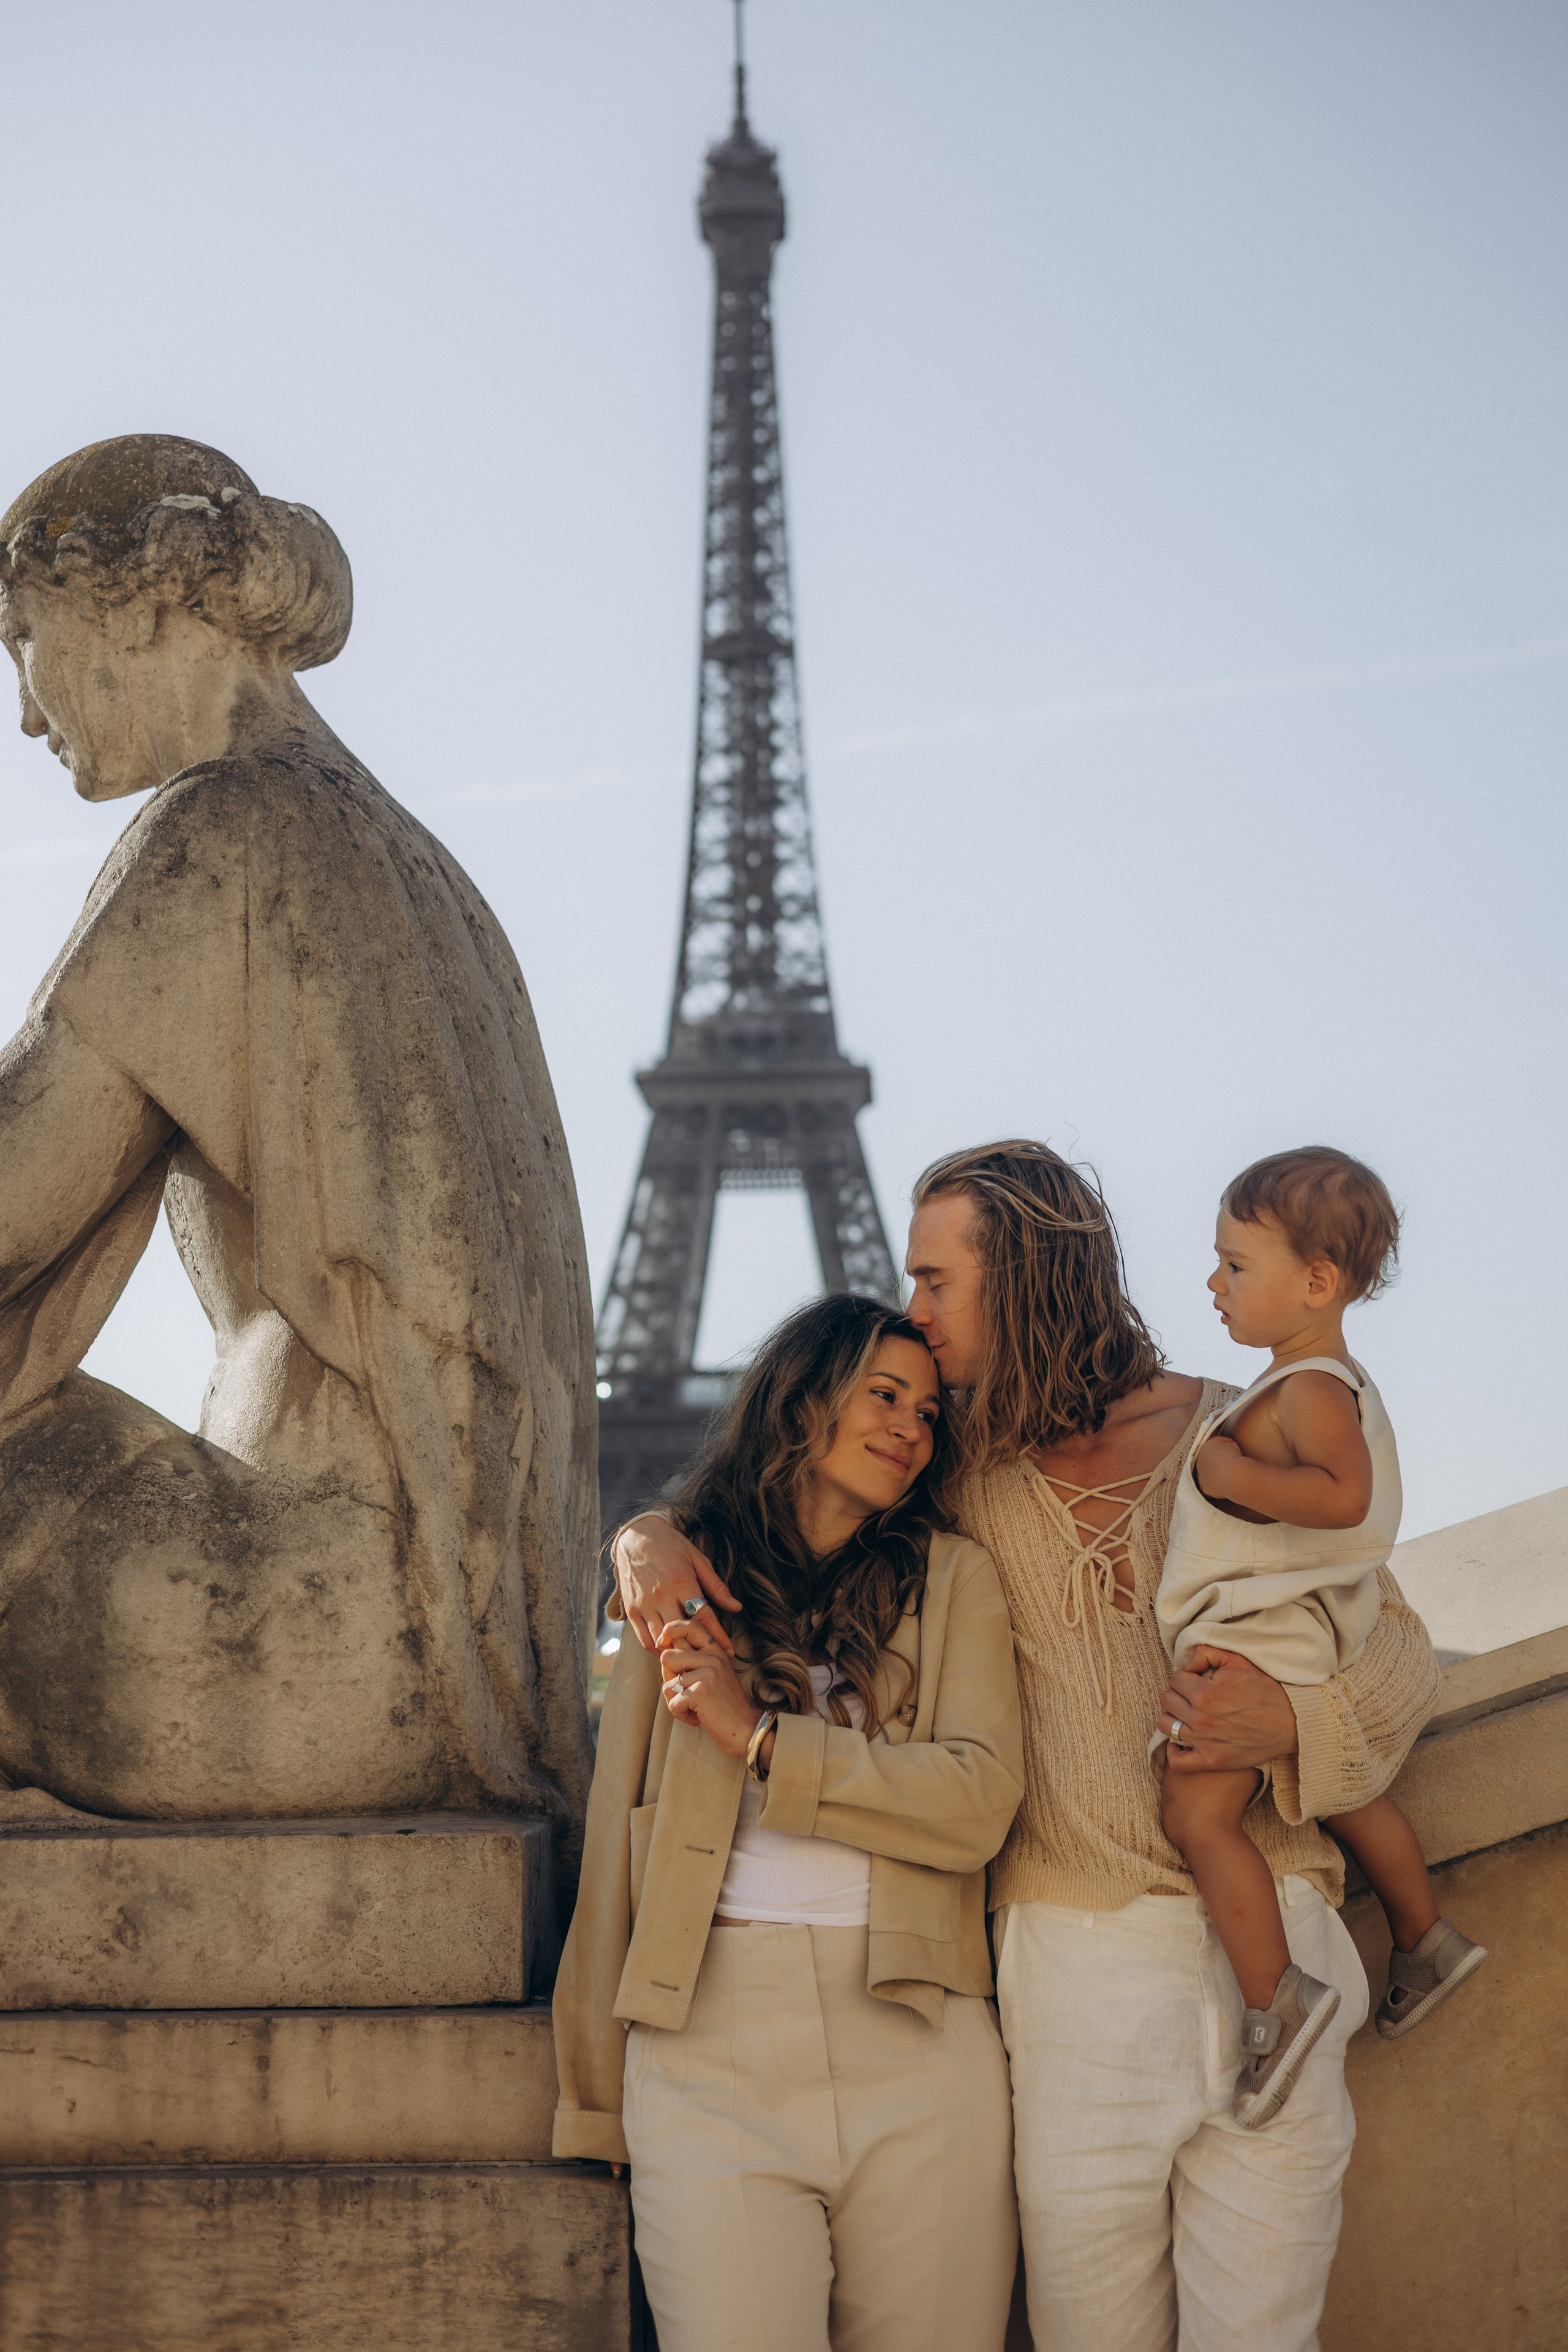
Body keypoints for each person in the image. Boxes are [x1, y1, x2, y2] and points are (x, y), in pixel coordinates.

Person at [613, 1140, 1444, 2352]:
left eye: (936, 1281)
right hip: (1070, 1969)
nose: (915, 1313)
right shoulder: (952, 1483)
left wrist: (1294, 1724)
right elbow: (784, 1502)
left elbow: (1397, 1651)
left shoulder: (1243, 1427)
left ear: (1022, 1276)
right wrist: (639, 1535)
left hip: (1279, 1945)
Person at [0, 435, 597, 1849]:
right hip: (434, 1649)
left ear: (131, 608)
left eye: (22, 639)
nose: (24, 712)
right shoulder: (404, 858)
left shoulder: (227, 834)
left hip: (304, 1639)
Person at [553, 1294, 1024, 2352]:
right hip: (707, 2049)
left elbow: (978, 1803)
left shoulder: (955, 1582)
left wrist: (764, 1741)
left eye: (930, 1411)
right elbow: (610, 1852)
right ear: (802, 1404)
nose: (912, 1425)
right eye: (884, 1395)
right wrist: (590, 2097)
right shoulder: (674, 1584)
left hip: (916, 2036)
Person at [1153, 1147, 1485, 2129]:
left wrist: (1228, 1478)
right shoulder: (1310, 1382)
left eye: (1234, 1265)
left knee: (1197, 1817)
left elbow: (1346, 1500)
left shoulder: (1309, 1389)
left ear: (1317, 1282)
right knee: (1347, 1789)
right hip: (1293, 1633)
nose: (1213, 1283)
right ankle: (1424, 1936)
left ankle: (1276, 2002)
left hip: (1258, 1639)